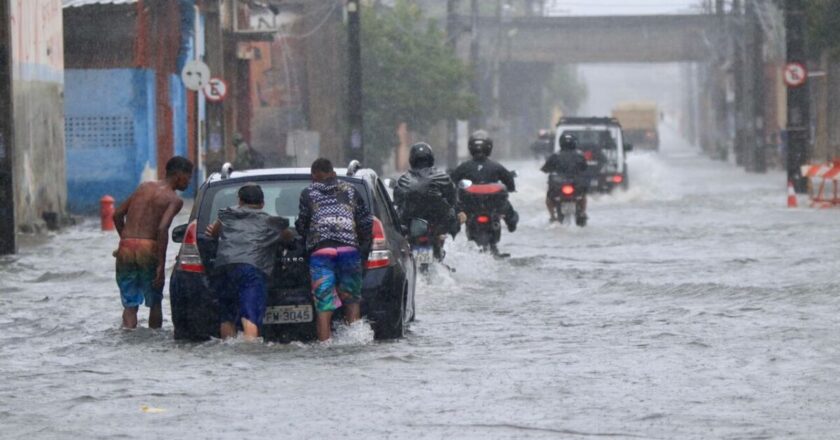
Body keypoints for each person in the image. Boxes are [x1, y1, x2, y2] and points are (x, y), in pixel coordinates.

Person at [296, 158, 373, 342]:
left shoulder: (308, 192)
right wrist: (361, 250)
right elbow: (365, 223)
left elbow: (302, 225)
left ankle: (325, 345)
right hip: (349, 251)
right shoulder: (350, 190)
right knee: (352, 299)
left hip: (322, 252)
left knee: (324, 304)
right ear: (333, 173)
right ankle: (355, 339)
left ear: (313, 176)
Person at [112, 156, 194, 329]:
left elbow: (117, 214)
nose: (190, 181)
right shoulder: (174, 200)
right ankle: (154, 346)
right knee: (155, 302)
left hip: (126, 247)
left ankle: (128, 336)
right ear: (179, 175)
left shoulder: (144, 187)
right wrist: (160, 265)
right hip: (148, 248)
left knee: (129, 305)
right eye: (189, 176)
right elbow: (162, 229)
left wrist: (125, 241)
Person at [205, 184, 291, 341]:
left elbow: (214, 231)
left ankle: (228, 352)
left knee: (227, 316)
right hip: (251, 269)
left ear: (239, 201)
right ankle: (249, 355)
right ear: (262, 203)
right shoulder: (270, 222)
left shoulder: (226, 214)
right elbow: (289, 237)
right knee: (250, 317)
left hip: (225, 267)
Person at [393, 143, 460, 258]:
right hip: (435, 224)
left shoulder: (403, 179)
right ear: (431, 159)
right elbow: (452, 198)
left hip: (414, 227)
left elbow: (397, 200)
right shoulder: (442, 177)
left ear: (412, 159)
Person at [450, 130, 519, 232]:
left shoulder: (463, 167)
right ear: (489, 147)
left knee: (454, 212)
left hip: (470, 205)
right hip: (490, 205)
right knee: (508, 209)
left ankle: (451, 231)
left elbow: (451, 182)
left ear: (470, 147)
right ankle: (511, 225)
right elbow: (509, 181)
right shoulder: (496, 166)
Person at [541, 133, 588, 222]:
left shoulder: (555, 155)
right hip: (575, 184)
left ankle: (552, 216)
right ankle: (582, 212)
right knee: (583, 196)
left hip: (559, 184)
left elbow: (545, 168)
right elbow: (585, 167)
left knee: (549, 199)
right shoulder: (580, 155)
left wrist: (547, 169)